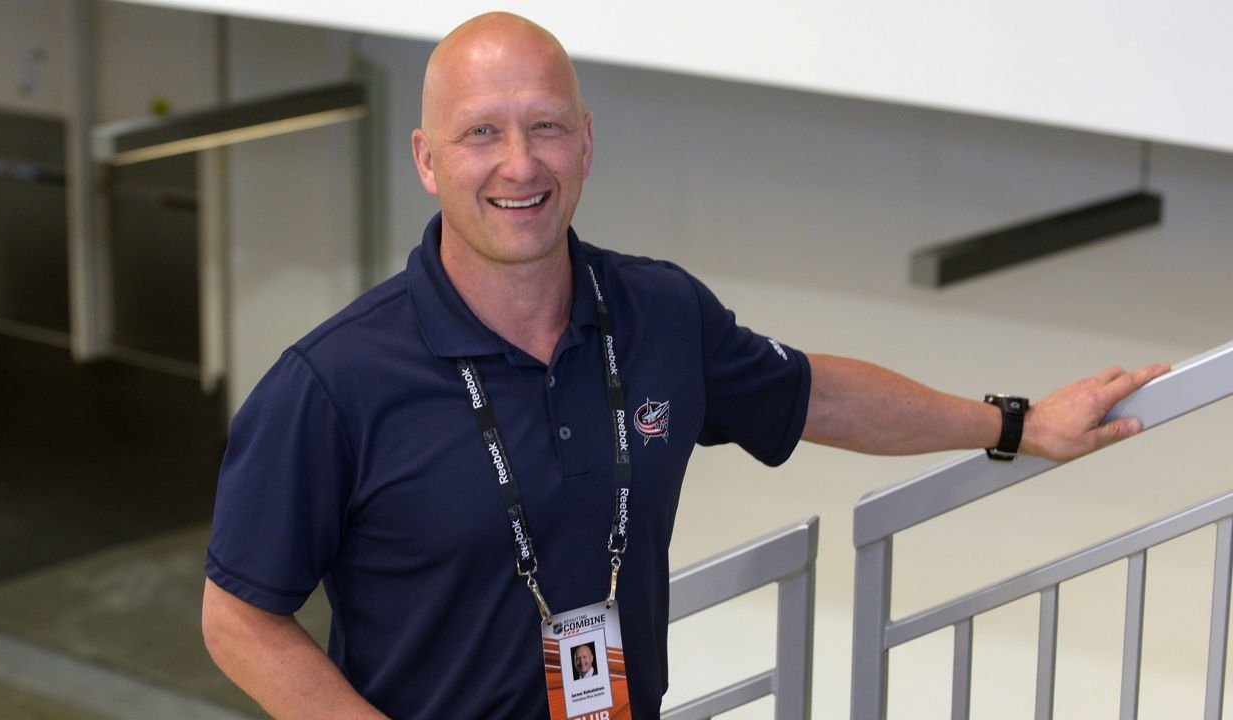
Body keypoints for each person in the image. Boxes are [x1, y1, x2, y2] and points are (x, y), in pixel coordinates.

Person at [200, 12, 1169, 720]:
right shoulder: (333, 382)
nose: (519, 164)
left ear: (585, 143)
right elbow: (238, 618)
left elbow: (815, 396)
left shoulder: (657, 312)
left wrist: (1016, 424)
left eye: (545, 126)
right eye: (481, 132)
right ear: (425, 158)